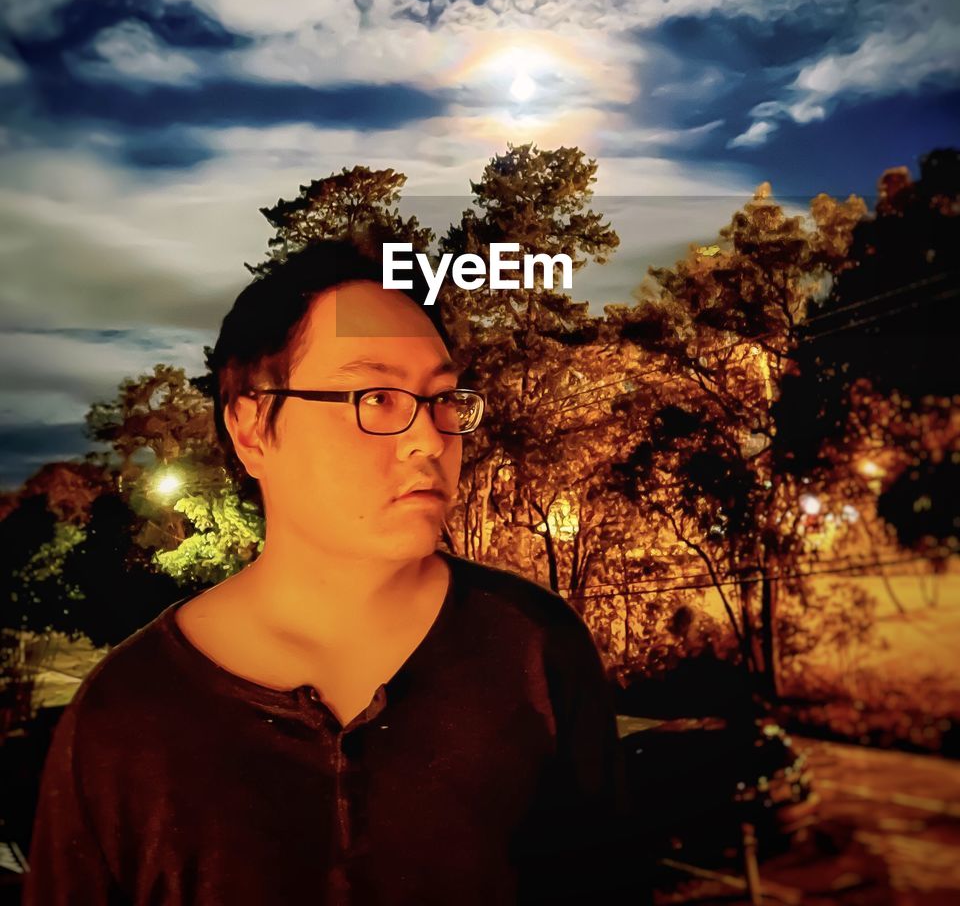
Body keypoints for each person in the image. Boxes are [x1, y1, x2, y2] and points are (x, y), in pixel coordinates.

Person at [24, 239, 639, 904]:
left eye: (444, 398)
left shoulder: (534, 649)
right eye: (375, 396)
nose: (430, 438)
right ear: (253, 426)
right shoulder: (121, 723)